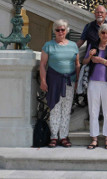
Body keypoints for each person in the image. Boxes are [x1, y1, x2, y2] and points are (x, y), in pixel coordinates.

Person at [40, 19, 80, 148]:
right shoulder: (48, 45)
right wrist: (43, 81)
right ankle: (53, 137)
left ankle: (63, 136)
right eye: (58, 30)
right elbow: (42, 65)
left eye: (63, 29)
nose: (60, 32)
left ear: (67, 31)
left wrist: (77, 81)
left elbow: (77, 64)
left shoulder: (73, 46)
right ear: (54, 31)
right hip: (54, 81)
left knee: (66, 110)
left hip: (69, 81)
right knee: (55, 109)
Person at [82, 23, 107, 150]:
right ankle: (94, 138)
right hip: (93, 82)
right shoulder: (93, 46)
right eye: (103, 33)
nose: (105, 35)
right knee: (93, 111)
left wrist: (102, 61)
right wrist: (90, 56)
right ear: (99, 34)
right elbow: (84, 62)